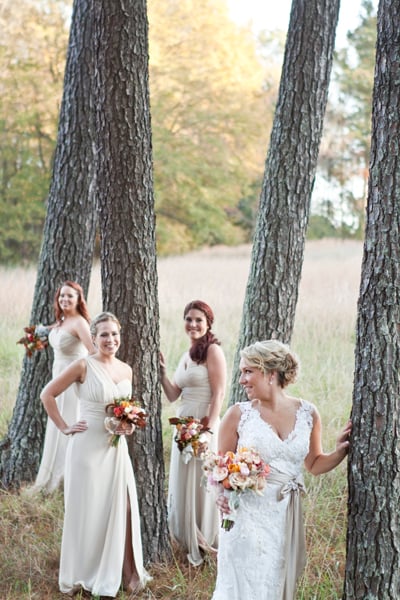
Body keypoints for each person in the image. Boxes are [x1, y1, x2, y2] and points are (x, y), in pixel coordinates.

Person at [211, 339, 352, 600]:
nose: (241, 379)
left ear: (270, 374)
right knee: (242, 582)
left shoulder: (308, 413)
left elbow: (314, 464)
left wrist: (340, 452)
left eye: (248, 371)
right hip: (244, 514)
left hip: (284, 514)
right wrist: (220, 493)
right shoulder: (237, 414)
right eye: (241, 372)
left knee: (274, 580)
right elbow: (220, 468)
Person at [40, 311, 150, 597]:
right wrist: (64, 427)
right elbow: (47, 395)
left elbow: (124, 409)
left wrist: (127, 426)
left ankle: (128, 571)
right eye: (104, 335)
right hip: (86, 448)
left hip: (115, 449)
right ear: (94, 337)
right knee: (88, 510)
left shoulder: (126, 370)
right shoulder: (82, 366)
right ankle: (84, 573)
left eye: (114, 334)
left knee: (123, 508)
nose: (110, 339)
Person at [160, 300, 227, 566]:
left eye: (199, 319)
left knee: (203, 482)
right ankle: (189, 537)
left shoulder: (213, 351)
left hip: (204, 424)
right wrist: (163, 373)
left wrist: (208, 430)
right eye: (189, 319)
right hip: (184, 426)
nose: (193, 324)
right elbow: (173, 394)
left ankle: (208, 538)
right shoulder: (186, 355)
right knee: (184, 480)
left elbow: (219, 392)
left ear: (208, 323)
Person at [32, 281, 95, 493]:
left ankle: (65, 479)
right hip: (56, 376)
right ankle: (49, 477)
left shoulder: (80, 323)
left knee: (69, 420)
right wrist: (40, 333)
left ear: (79, 300)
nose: (65, 300)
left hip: (71, 381)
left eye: (70, 296)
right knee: (55, 424)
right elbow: (55, 332)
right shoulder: (62, 320)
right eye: (61, 296)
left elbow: (93, 352)